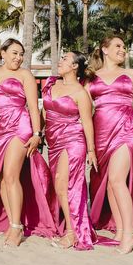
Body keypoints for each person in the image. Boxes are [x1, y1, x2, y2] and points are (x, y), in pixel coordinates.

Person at [0, 39, 56, 247]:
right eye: (14, 53)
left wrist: (37, 134)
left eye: (21, 54)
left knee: (10, 175)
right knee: (0, 180)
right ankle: (12, 221)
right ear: (3, 53)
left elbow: (34, 108)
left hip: (20, 125)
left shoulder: (25, 75)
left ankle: (17, 227)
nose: (18, 58)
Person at [85, 35, 133, 253]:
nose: (123, 50)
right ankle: (122, 229)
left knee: (115, 180)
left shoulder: (130, 73)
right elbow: (84, 110)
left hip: (126, 129)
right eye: (118, 46)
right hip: (102, 134)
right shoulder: (91, 77)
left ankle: (130, 233)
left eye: (124, 47)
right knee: (110, 184)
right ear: (104, 49)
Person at [42, 52, 97, 250]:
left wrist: (91, 150)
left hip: (72, 140)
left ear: (75, 66)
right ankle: (71, 226)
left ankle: (73, 233)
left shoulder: (80, 93)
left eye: (65, 59)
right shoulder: (51, 84)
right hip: (53, 143)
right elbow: (44, 112)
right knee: (59, 187)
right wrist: (37, 133)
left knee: (64, 185)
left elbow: (88, 122)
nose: (60, 60)